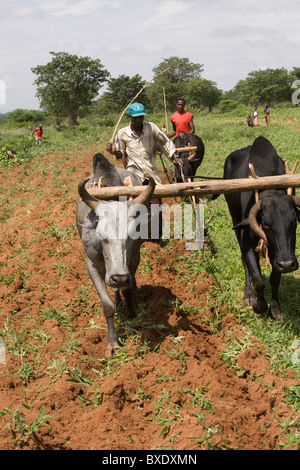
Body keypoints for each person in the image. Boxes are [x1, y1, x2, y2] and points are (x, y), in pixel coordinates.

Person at [106, 102, 182, 242]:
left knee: (155, 206)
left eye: (140, 117)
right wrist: (114, 151)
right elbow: (120, 154)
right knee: (131, 206)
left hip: (151, 174)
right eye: (135, 118)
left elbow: (165, 143)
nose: (138, 120)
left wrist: (175, 157)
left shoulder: (151, 128)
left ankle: (156, 238)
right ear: (130, 117)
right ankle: (133, 236)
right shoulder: (122, 133)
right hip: (133, 175)